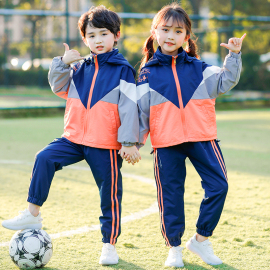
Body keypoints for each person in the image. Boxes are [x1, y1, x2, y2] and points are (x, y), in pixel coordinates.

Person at [2, 5, 141, 265]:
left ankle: (109, 245)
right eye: (91, 36)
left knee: (109, 194)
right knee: (44, 157)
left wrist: (129, 142)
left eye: (103, 34)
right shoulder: (80, 67)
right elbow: (59, 87)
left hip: (105, 144)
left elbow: (130, 108)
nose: (97, 40)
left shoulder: (123, 70)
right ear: (84, 38)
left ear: (116, 35)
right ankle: (33, 213)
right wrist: (62, 63)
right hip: (74, 138)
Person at [137, 2, 245, 268]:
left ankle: (200, 240)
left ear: (186, 37)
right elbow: (140, 113)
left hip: (202, 137)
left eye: (178, 31)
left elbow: (225, 81)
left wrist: (233, 56)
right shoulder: (146, 73)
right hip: (166, 142)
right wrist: (132, 142)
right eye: (165, 30)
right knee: (171, 196)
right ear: (155, 32)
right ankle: (174, 248)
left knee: (219, 186)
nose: (171, 36)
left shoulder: (200, 68)